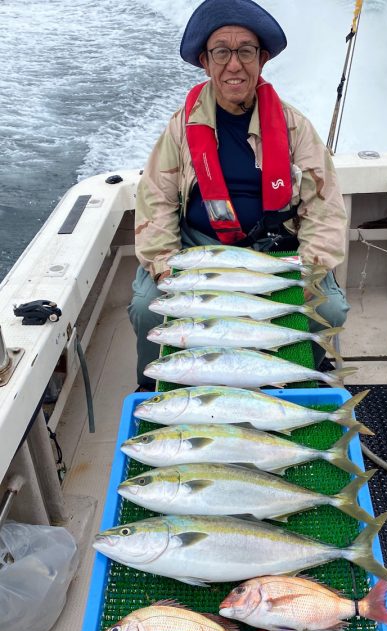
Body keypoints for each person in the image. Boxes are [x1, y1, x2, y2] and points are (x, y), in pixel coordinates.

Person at [130, 0, 349, 389]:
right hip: (197, 246)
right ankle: (155, 388)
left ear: (262, 59)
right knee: (148, 310)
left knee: (328, 308)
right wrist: (166, 266)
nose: (234, 65)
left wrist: (308, 270)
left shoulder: (295, 126)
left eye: (245, 51)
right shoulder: (180, 127)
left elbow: (325, 207)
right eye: (221, 52)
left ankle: (302, 376)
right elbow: (156, 201)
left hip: (277, 248)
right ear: (205, 61)